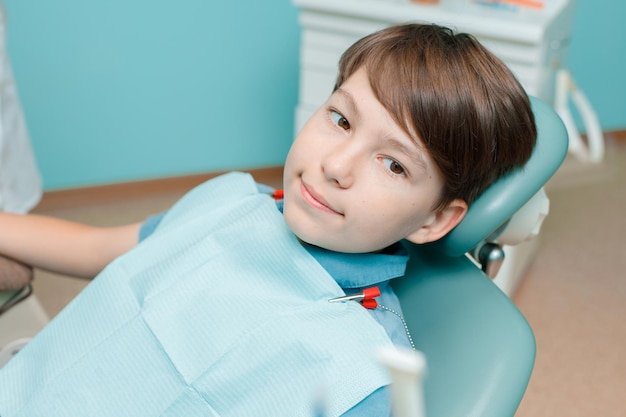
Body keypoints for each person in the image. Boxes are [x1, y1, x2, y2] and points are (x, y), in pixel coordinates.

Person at [0, 23, 536, 416]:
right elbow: (101, 251)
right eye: (341, 119)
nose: (335, 165)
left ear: (435, 219)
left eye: (393, 164)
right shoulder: (232, 201)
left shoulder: (359, 378)